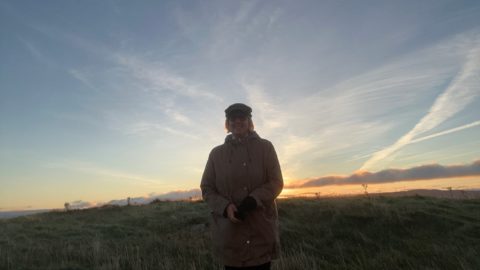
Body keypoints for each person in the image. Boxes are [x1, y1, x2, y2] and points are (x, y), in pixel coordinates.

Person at [200, 103, 284, 269]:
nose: (237, 121)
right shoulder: (216, 154)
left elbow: (276, 182)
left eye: (242, 117)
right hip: (230, 236)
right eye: (233, 118)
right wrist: (225, 207)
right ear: (227, 123)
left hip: (261, 232)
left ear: (250, 121)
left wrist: (254, 199)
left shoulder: (266, 148)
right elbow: (207, 188)